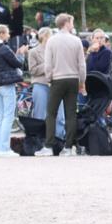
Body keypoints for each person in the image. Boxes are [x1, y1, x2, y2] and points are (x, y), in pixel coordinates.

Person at [37, 13, 86, 157]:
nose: (73, 24)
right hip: (73, 79)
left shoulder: (52, 41)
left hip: (57, 79)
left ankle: (49, 145)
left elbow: (48, 64)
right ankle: (68, 147)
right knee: (71, 113)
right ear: (66, 23)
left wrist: (49, 78)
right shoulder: (76, 40)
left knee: (51, 113)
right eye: (72, 21)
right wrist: (82, 81)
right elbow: (82, 64)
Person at [0, 24, 28, 158]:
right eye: (7, 33)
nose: (9, 35)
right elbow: (17, 63)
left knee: (0, 115)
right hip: (6, 84)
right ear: (1, 34)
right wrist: (21, 54)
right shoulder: (3, 48)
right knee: (8, 116)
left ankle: (0, 147)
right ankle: (4, 148)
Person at [27, 28, 65, 141]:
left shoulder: (57, 51)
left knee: (60, 115)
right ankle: (39, 140)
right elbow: (32, 70)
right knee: (40, 115)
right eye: (50, 36)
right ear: (43, 37)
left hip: (56, 85)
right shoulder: (33, 52)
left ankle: (59, 139)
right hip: (40, 84)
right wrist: (47, 64)